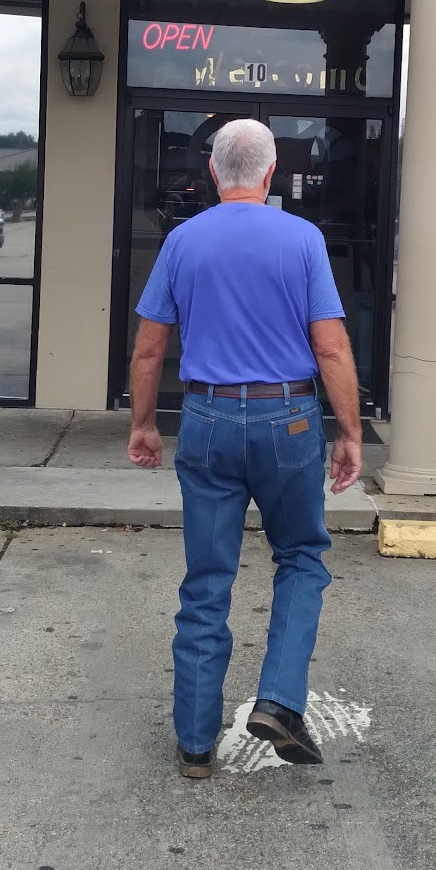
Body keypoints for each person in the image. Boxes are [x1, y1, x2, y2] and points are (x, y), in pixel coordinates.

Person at [127, 117, 364, 779]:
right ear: (270, 171)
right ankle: (280, 701)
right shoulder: (303, 238)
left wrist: (143, 424)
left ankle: (195, 744)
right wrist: (350, 432)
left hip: (206, 416)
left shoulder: (182, 241)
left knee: (207, 581)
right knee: (302, 558)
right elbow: (330, 348)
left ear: (212, 171)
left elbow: (149, 347)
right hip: (288, 419)